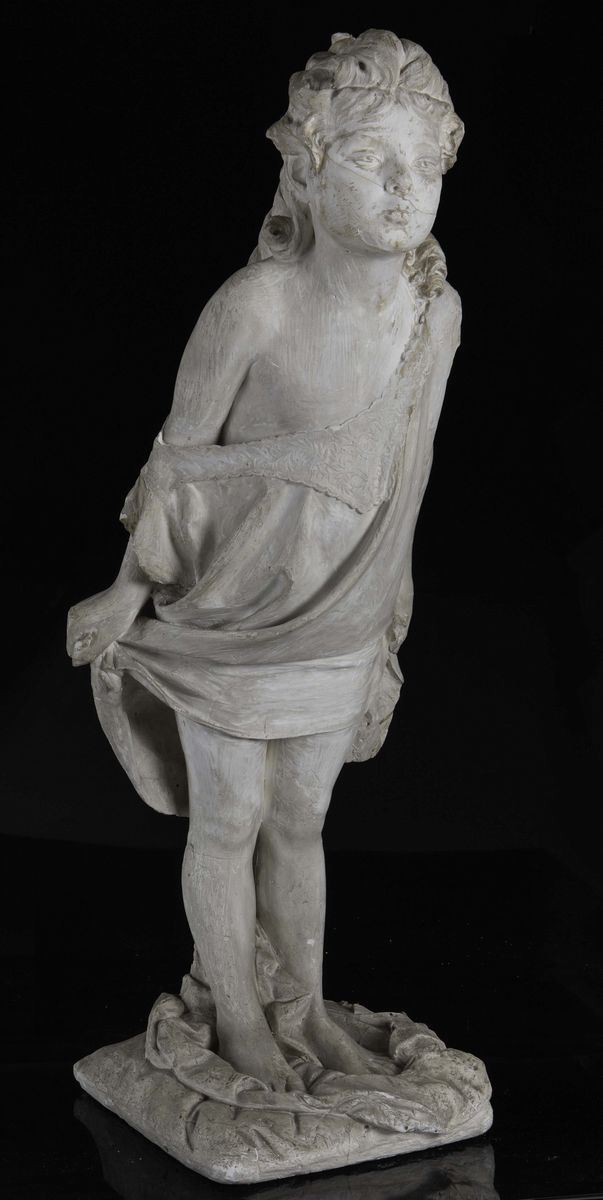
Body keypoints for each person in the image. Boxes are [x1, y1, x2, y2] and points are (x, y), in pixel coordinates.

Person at [67, 29, 464, 1092]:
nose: (406, 189)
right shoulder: (254, 306)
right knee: (230, 818)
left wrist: (389, 608)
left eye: (425, 166)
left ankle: (305, 1010)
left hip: (344, 612)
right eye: (374, 160)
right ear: (308, 168)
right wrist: (130, 589)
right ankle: (237, 1019)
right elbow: (178, 461)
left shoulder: (436, 317)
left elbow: (410, 473)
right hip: (233, 612)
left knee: (301, 821)